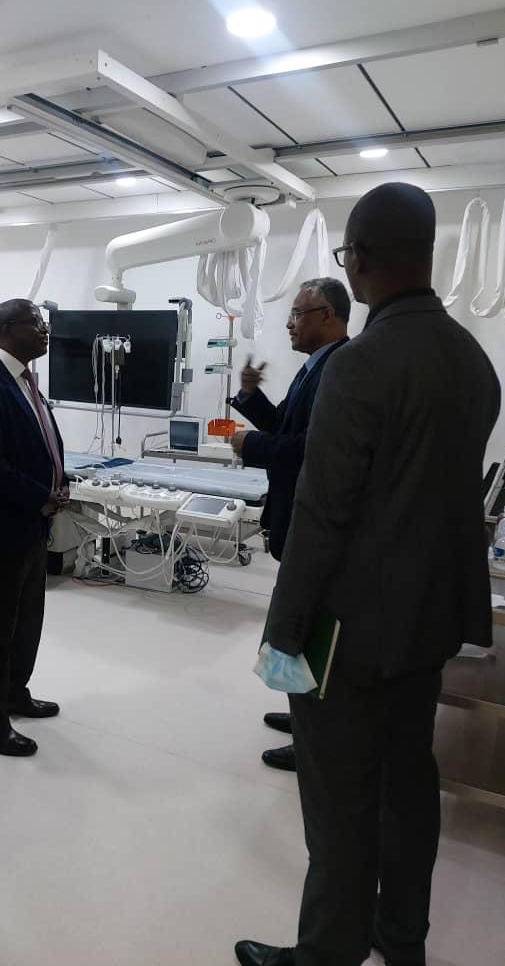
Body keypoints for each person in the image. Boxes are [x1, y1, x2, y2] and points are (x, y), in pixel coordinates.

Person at [234, 182, 501, 966]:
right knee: (408, 786)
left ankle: (326, 953)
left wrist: (284, 635)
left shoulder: (360, 365)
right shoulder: (473, 362)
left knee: (339, 801)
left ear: (362, 261)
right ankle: (401, 937)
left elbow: (322, 517)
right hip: (428, 627)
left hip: (348, 634)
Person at [231, 278, 350, 773]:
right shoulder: (315, 367)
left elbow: (311, 451)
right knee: (298, 625)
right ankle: (303, 715)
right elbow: (287, 425)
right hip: (296, 517)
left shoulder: (339, 370)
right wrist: (249, 396)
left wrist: (249, 446)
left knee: (310, 627)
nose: (289, 324)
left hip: (314, 523)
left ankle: (314, 738)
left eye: (298, 314)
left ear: (328, 316)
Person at [0, 298, 67, 757]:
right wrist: (41, 495)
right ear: (6, 329)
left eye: (44, 323)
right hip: (0, 532)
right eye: (35, 323)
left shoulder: (26, 382)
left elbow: (38, 443)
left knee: (27, 622)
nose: (44, 330)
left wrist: (61, 479)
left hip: (31, 528)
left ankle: (16, 694)